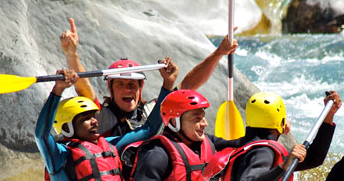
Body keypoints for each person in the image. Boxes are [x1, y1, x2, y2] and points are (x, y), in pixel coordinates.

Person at [58, 18, 239, 138]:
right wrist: (72, 54)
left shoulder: (153, 109)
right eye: (120, 84)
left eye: (132, 85)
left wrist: (218, 53)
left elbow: (188, 87)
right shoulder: (99, 115)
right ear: (111, 89)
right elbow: (83, 87)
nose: (128, 89)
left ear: (140, 88)